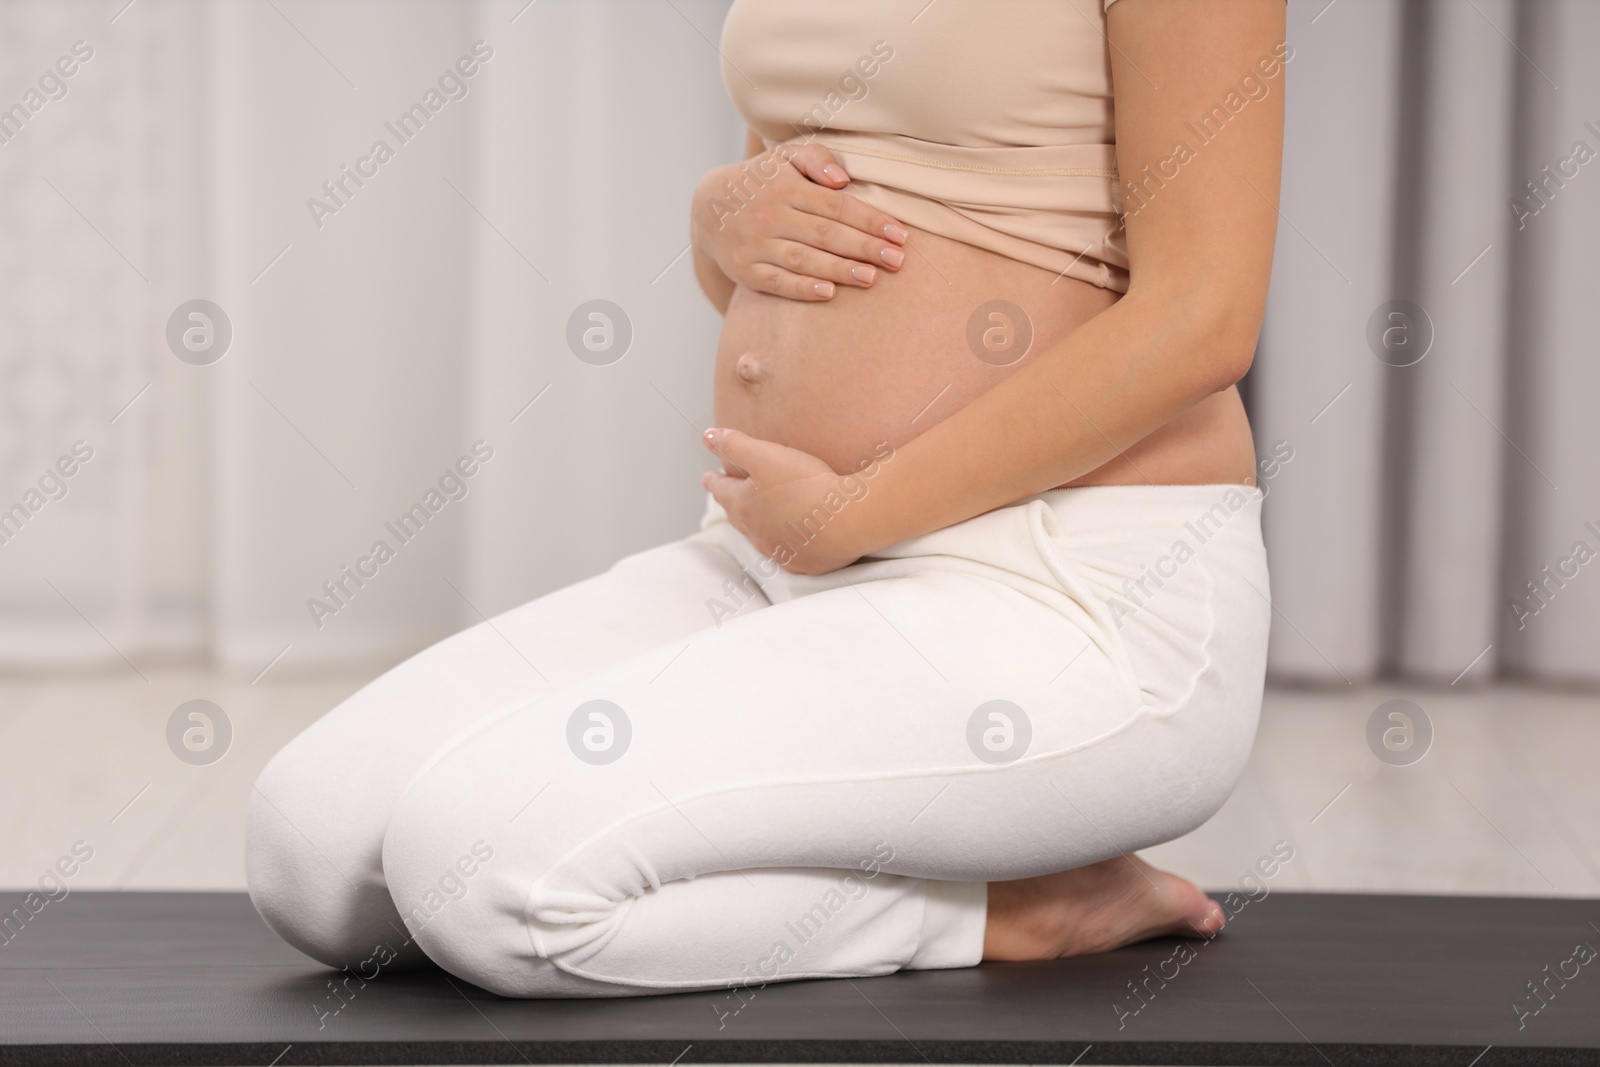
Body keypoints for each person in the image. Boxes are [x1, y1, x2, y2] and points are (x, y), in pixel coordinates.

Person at [246, 0, 1288, 997]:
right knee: (313, 848)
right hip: (782, 561)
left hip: (1061, 589)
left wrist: (858, 510)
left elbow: (1200, 317)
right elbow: (803, 236)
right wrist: (718, 220)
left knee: (479, 876)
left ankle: (1006, 908)